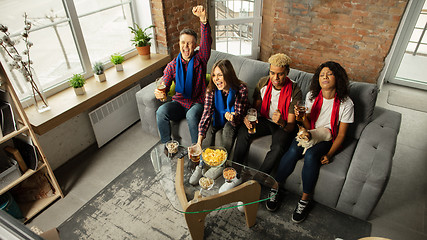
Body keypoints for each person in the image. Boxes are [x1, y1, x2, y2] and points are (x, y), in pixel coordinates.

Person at [265, 61, 354, 224]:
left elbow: (341, 135)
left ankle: (305, 199)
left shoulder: (346, 103)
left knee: (311, 156)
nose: (325, 77)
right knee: (293, 150)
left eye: (329, 74)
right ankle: (276, 187)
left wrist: (329, 154)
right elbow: (307, 126)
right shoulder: (312, 96)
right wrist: (302, 118)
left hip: (328, 137)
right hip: (311, 132)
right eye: (321, 75)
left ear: (338, 78)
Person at [231, 53, 302, 174]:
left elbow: (290, 126)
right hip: (264, 120)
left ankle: (259, 180)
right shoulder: (263, 83)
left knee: (279, 147)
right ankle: (234, 171)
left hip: (282, 125)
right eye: (272, 73)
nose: (275, 78)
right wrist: (248, 119)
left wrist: (281, 122)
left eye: (280, 74)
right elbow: (254, 110)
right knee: (243, 131)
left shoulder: (295, 90)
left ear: (287, 73)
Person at [155, 5, 212, 144]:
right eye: (183, 43)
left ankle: (195, 151)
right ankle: (167, 145)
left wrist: (203, 21)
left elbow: (206, 42)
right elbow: (165, 83)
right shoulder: (172, 65)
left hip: (197, 103)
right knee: (161, 112)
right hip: (179, 103)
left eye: (190, 43)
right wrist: (160, 92)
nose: (186, 47)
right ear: (179, 44)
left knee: (192, 115)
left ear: (195, 45)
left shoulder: (201, 58)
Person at [197, 59, 249, 152]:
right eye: (214, 75)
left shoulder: (241, 89)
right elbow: (206, 113)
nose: (216, 79)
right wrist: (199, 142)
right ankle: (203, 161)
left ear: (228, 75)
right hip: (217, 117)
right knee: (208, 129)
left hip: (234, 121)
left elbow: (239, 115)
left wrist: (233, 116)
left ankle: (223, 162)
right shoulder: (211, 89)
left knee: (228, 129)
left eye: (220, 75)